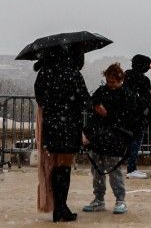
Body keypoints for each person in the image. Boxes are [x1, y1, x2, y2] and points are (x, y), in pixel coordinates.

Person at [34, 45, 89, 223]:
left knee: (54, 165)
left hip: (51, 124)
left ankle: (57, 207)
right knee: (64, 166)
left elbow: (40, 98)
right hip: (69, 124)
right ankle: (61, 207)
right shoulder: (73, 73)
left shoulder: (44, 72)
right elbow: (84, 100)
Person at [82, 63, 138, 215]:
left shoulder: (127, 95)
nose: (110, 85)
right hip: (99, 137)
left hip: (115, 138)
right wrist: (95, 108)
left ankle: (120, 199)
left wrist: (108, 114)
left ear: (120, 79)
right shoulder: (102, 91)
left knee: (114, 170)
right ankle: (99, 199)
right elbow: (90, 105)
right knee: (97, 170)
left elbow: (128, 118)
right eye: (108, 81)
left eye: (113, 81)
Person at [123, 54, 151, 179]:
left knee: (129, 141)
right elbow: (146, 99)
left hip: (126, 114)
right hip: (138, 116)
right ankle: (131, 168)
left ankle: (127, 166)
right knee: (136, 141)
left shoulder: (126, 75)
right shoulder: (144, 80)